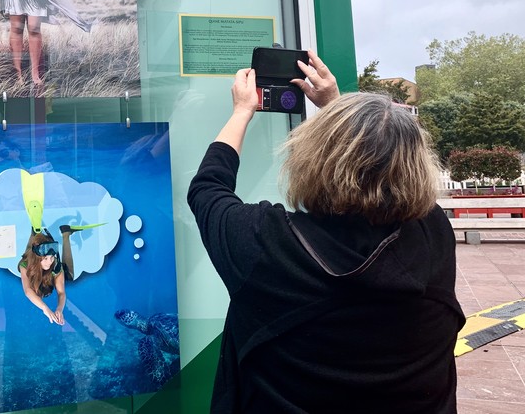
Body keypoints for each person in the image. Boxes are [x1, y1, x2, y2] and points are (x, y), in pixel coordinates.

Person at [187, 50, 465, 413]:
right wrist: (336, 109)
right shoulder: (433, 237)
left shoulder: (267, 245)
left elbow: (208, 188)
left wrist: (242, 110)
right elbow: (375, 165)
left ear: (311, 158)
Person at [18, 227, 77, 325]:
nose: (49, 262)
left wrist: (59, 309)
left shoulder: (55, 267)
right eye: (45, 258)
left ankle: (64, 234)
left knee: (68, 275)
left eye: (52, 257)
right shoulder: (25, 265)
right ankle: (36, 232)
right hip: (32, 262)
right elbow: (28, 291)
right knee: (29, 253)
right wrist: (45, 308)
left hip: (41, 268)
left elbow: (61, 293)